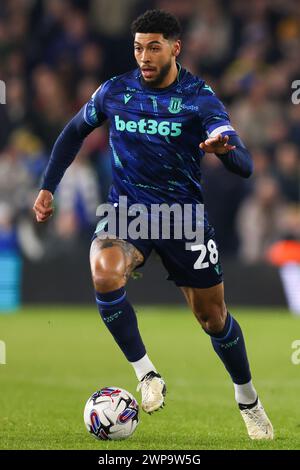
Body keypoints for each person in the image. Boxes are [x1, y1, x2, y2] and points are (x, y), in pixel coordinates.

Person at [33, 9, 273, 440]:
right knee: (104, 273)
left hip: (184, 219)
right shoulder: (115, 91)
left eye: (154, 47)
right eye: (139, 47)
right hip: (127, 212)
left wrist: (223, 150)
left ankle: (248, 399)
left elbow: (246, 165)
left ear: (175, 48)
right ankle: (146, 375)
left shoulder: (199, 97)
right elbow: (72, 132)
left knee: (213, 318)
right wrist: (48, 186)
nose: (144, 56)